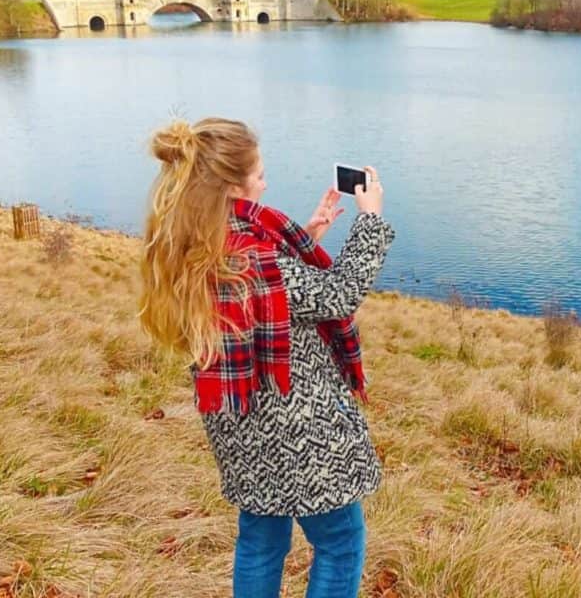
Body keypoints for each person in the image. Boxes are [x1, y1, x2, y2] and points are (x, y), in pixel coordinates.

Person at [138, 117, 395, 598]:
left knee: (261, 537)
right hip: (298, 424)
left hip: (239, 422)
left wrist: (309, 237)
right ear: (232, 186)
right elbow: (338, 296)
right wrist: (371, 220)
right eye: (258, 175)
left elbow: (266, 299)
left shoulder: (196, 245)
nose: (265, 181)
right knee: (340, 541)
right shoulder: (256, 258)